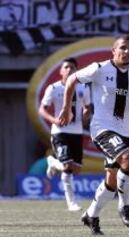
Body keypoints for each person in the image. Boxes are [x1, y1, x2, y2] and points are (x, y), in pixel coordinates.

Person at [58, 35, 129, 235]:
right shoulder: (99, 68)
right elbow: (72, 79)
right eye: (123, 48)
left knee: (112, 179)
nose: (127, 52)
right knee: (128, 160)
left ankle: (91, 215)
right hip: (102, 128)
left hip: (125, 130)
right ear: (114, 51)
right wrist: (66, 108)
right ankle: (124, 206)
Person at [39, 57, 91, 212]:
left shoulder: (83, 88)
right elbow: (42, 109)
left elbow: (87, 107)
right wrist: (54, 119)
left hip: (77, 132)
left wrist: (86, 114)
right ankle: (71, 203)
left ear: (77, 70)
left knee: (76, 169)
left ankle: (53, 162)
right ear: (61, 71)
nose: (69, 70)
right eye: (66, 67)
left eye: (73, 67)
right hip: (60, 132)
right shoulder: (53, 88)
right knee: (68, 167)